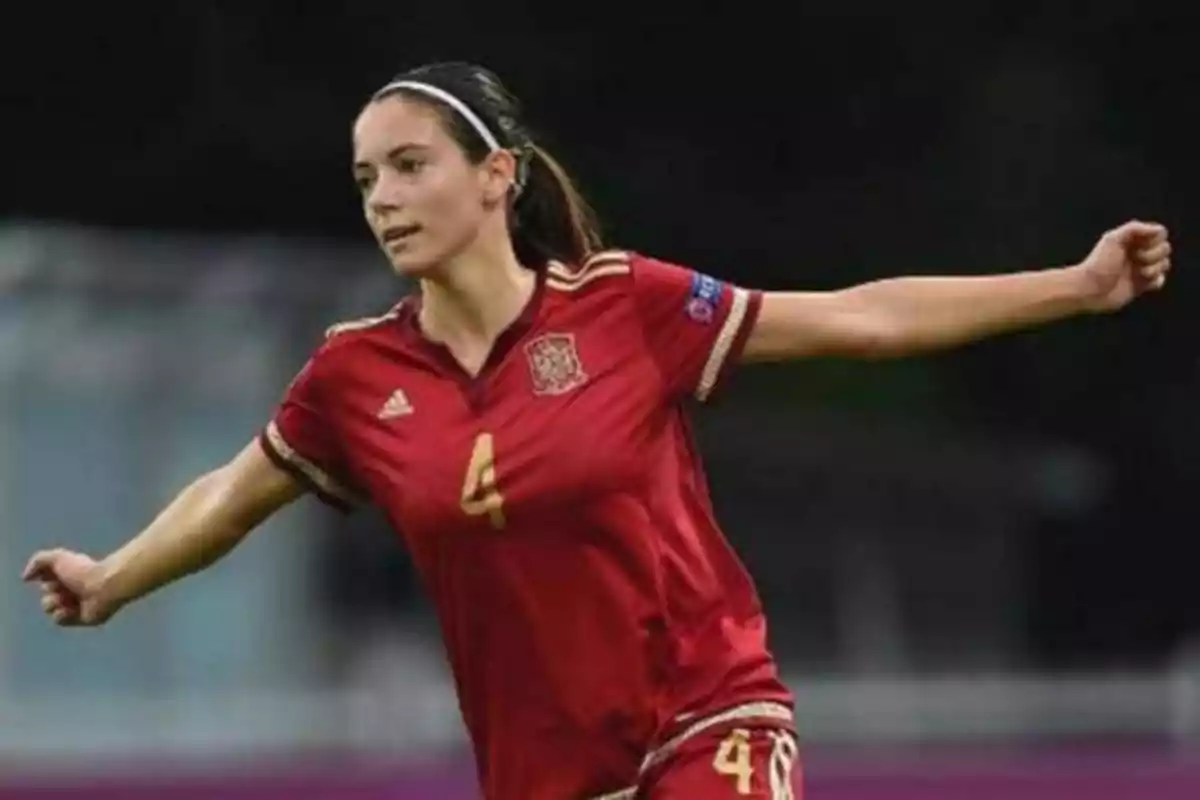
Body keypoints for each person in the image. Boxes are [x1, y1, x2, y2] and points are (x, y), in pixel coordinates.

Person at [22, 61, 1172, 800]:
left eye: (412, 165)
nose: (381, 195)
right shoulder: (353, 374)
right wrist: (111, 577)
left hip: (707, 719)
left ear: (497, 176)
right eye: (367, 175)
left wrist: (1072, 286)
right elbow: (232, 494)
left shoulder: (626, 307)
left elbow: (861, 319)